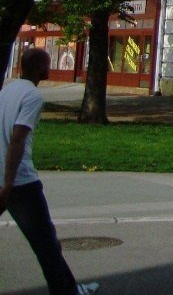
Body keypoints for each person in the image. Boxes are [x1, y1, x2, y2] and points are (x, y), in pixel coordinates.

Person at [1, 47, 100, 295]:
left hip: (6, 178)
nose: (50, 68)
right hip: (20, 182)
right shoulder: (33, 97)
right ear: (38, 68)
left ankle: (69, 288)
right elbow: (17, 139)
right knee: (45, 242)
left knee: (46, 242)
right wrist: (8, 185)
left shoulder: (8, 90)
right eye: (47, 63)